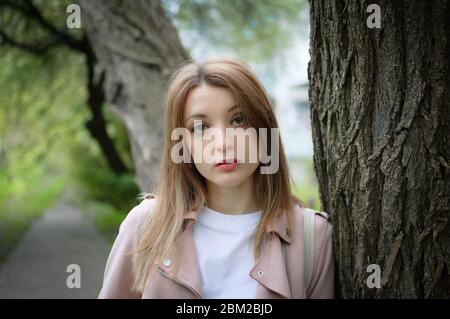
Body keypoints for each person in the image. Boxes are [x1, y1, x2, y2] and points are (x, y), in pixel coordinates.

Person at [98, 58, 334, 299]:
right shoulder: (146, 225)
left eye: (239, 120)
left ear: (265, 130)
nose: (223, 143)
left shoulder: (312, 236)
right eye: (200, 127)